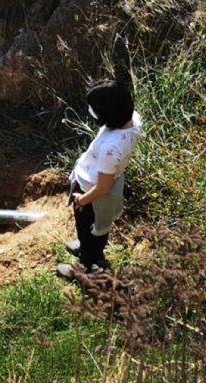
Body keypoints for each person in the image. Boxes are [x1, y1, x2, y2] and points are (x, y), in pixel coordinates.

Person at [57, 79, 142, 278]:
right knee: (90, 229)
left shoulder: (111, 148)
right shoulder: (132, 119)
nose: (91, 111)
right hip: (93, 187)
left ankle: (86, 266)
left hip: (92, 194)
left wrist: (82, 200)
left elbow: (103, 187)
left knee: (94, 229)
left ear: (108, 113)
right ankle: (86, 246)